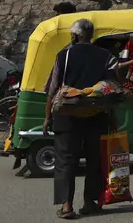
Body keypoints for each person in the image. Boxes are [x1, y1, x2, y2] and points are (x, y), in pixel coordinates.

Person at [44, 19, 116, 219]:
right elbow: (112, 88)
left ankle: (67, 206)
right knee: (95, 159)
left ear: (74, 35)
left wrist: (47, 117)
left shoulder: (64, 55)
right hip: (96, 114)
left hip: (67, 115)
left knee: (66, 161)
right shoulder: (106, 56)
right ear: (91, 35)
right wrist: (113, 118)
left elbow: (52, 89)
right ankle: (90, 202)